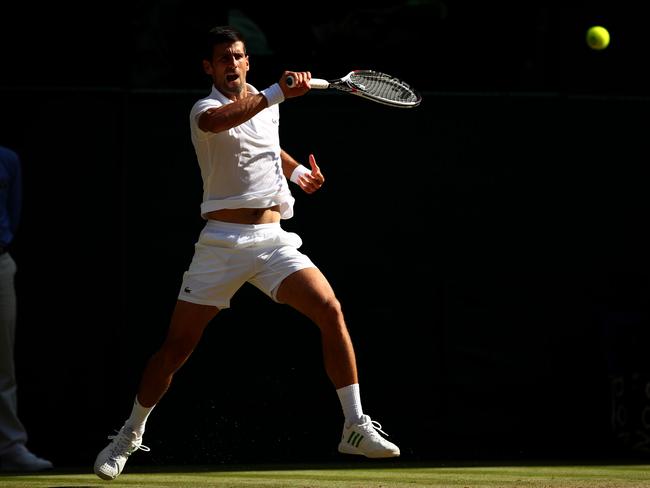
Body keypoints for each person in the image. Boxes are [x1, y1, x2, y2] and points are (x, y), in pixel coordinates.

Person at [94, 25, 399, 481]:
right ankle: (129, 435)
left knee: (330, 309)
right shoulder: (206, 109)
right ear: (209, 68)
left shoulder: (262, 101)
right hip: (221, 244)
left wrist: (297, 176)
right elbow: (222, 124)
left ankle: (354, 426)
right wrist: (279, 90)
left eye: (237, 56)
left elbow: (267, 148)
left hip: (274, 241)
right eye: (222, 59)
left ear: (247, 61)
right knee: (176, 349)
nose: (232, 64)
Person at [0, 145, 53, 472]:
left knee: (3, 361)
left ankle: (9, 446)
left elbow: (13, 213)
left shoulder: (7, 159)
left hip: (0, 261)